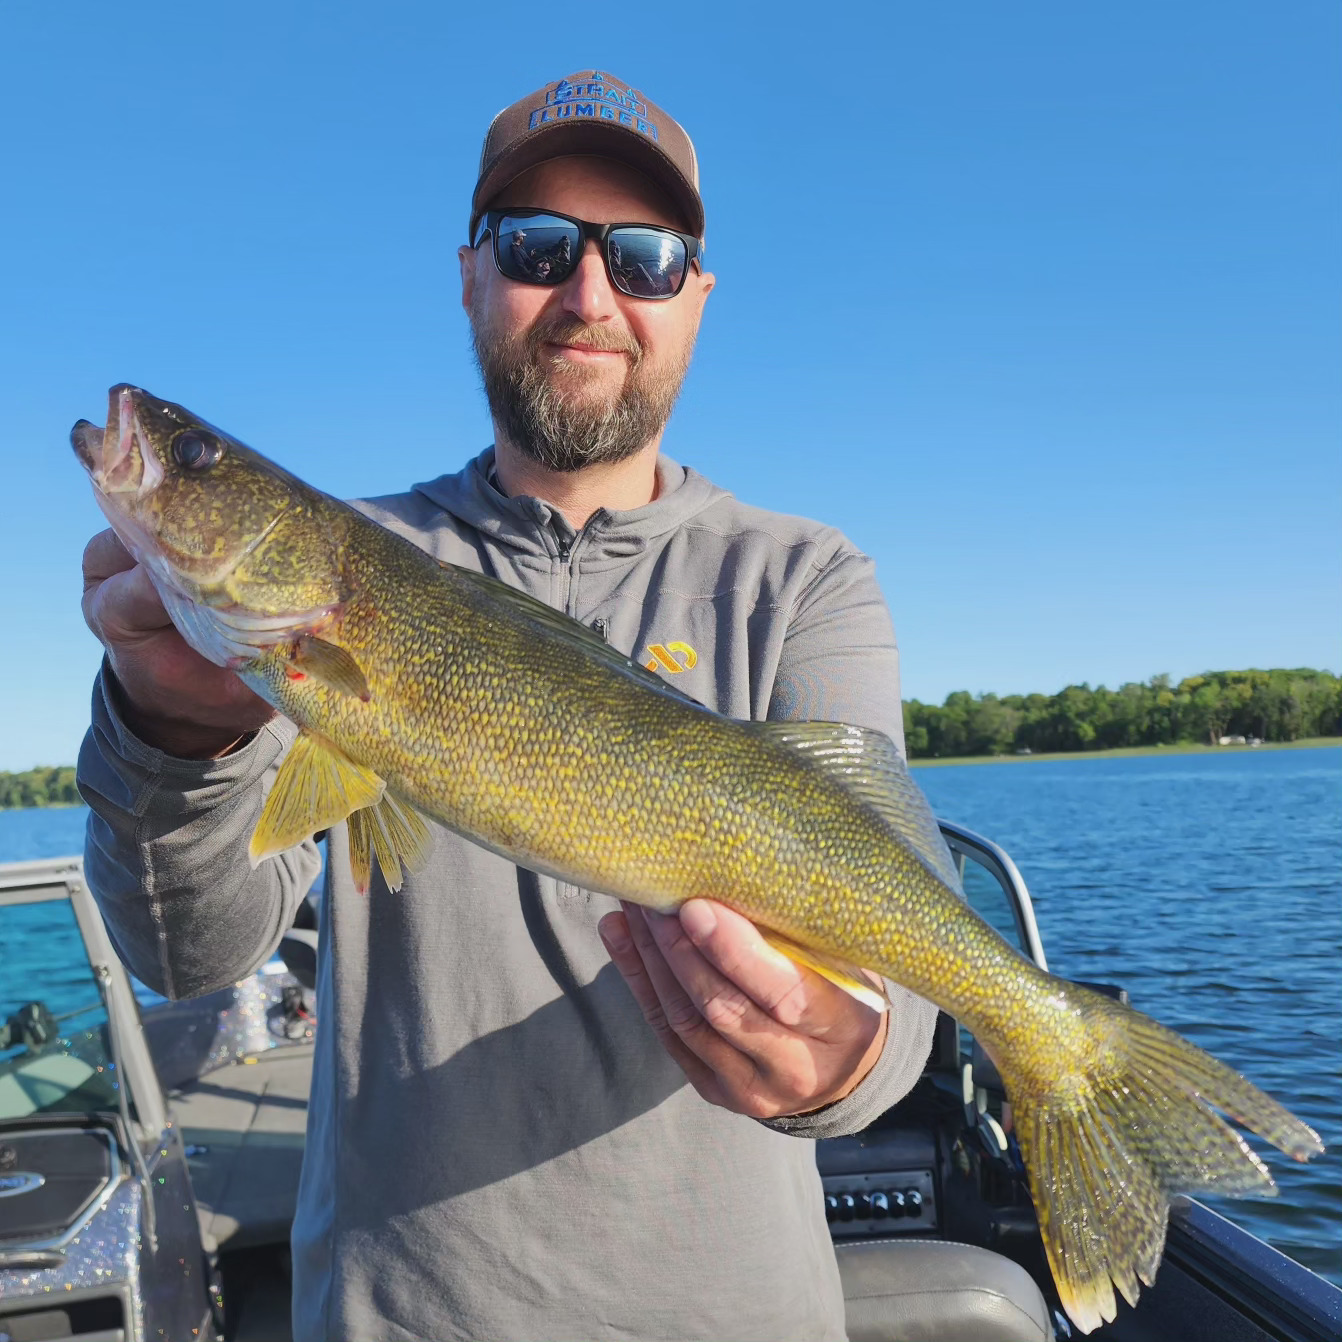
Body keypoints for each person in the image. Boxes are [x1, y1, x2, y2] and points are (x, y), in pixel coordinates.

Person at [78, 71, 938, 1342]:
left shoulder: (804, 578)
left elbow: (902, 955)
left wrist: (847, 1060)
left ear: (697, 297)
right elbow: (185, 957)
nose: (589, 295)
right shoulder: (357, 561)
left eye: (644, 258)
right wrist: (169, 733)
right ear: (471, 274)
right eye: (538, 245)